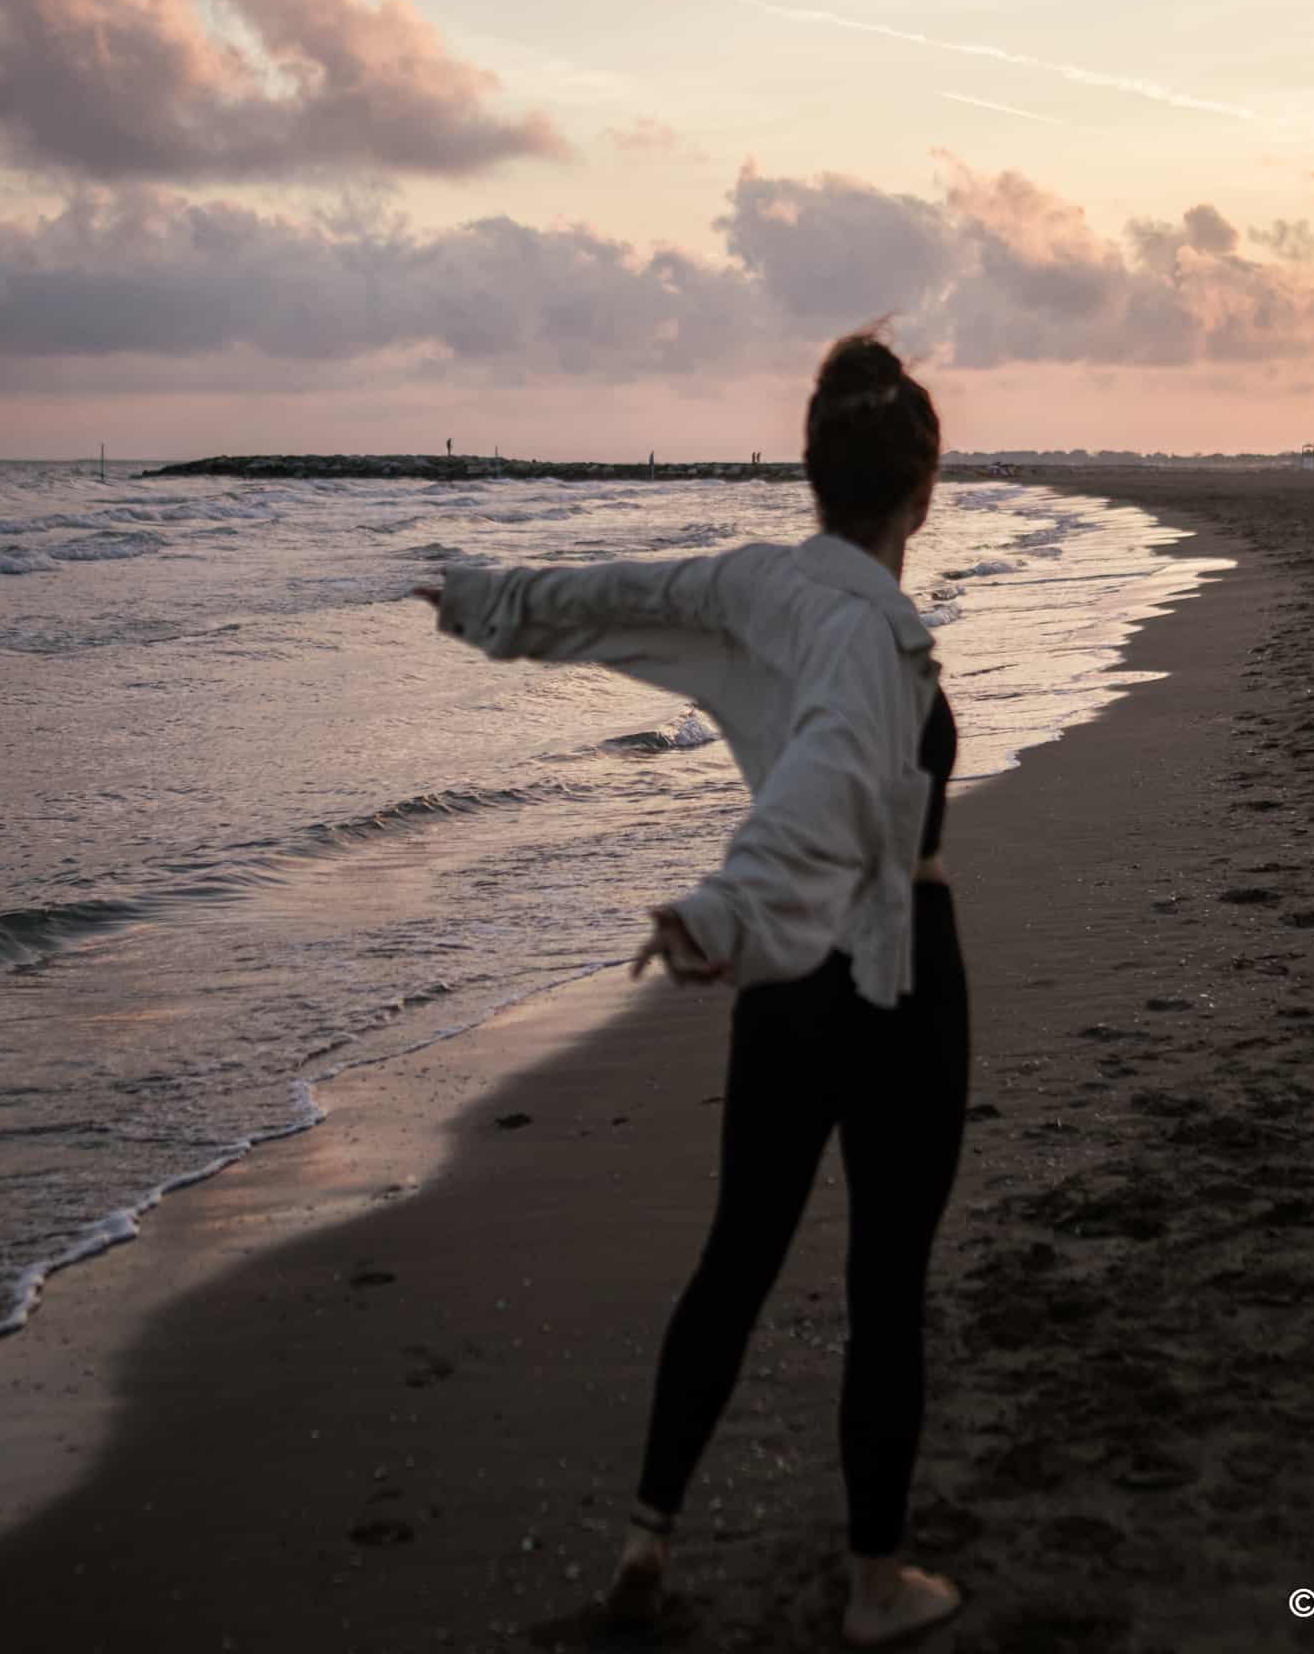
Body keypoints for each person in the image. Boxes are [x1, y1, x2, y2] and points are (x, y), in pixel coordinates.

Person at [413, 323, 967, 1648]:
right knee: (885, 1285)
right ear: (921, 490)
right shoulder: (875, 638)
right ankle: (875, 1582)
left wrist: (497, 600)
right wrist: (726, 901)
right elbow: (833, 767)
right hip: (888, 980)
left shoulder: (756, 584)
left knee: (736, 1259)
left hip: (783, 993)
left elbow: (633, 589)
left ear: (812, 474)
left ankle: (646, 1543)